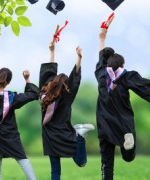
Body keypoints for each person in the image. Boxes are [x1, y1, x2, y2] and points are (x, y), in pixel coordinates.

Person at [95, 24, 150, 179]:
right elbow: (145, 88)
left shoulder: (101, 75)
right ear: (122, 65)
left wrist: (102, 38)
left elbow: (101, 57)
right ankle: (128, 145)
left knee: (107, 162)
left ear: (106, 65)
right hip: (123, 124)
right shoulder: (126, 77)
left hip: (104, 124)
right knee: (128, 157)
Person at [0, 39, 39, 180]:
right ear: (8, 82)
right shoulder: (13, 98)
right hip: (10, 136)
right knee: (23, 160)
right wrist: (27, 79)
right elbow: (33, 94)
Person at [39, 39, 94, 180]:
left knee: (55, 171)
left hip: (49, 136)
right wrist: (79, 58)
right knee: (81, 162)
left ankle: (80, 134)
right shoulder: (66, 97)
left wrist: (51, 51)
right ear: (65, 86)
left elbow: (48, 73)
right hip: (64, 133)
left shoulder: (44, 95)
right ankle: (80, 136)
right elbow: (74, 80)